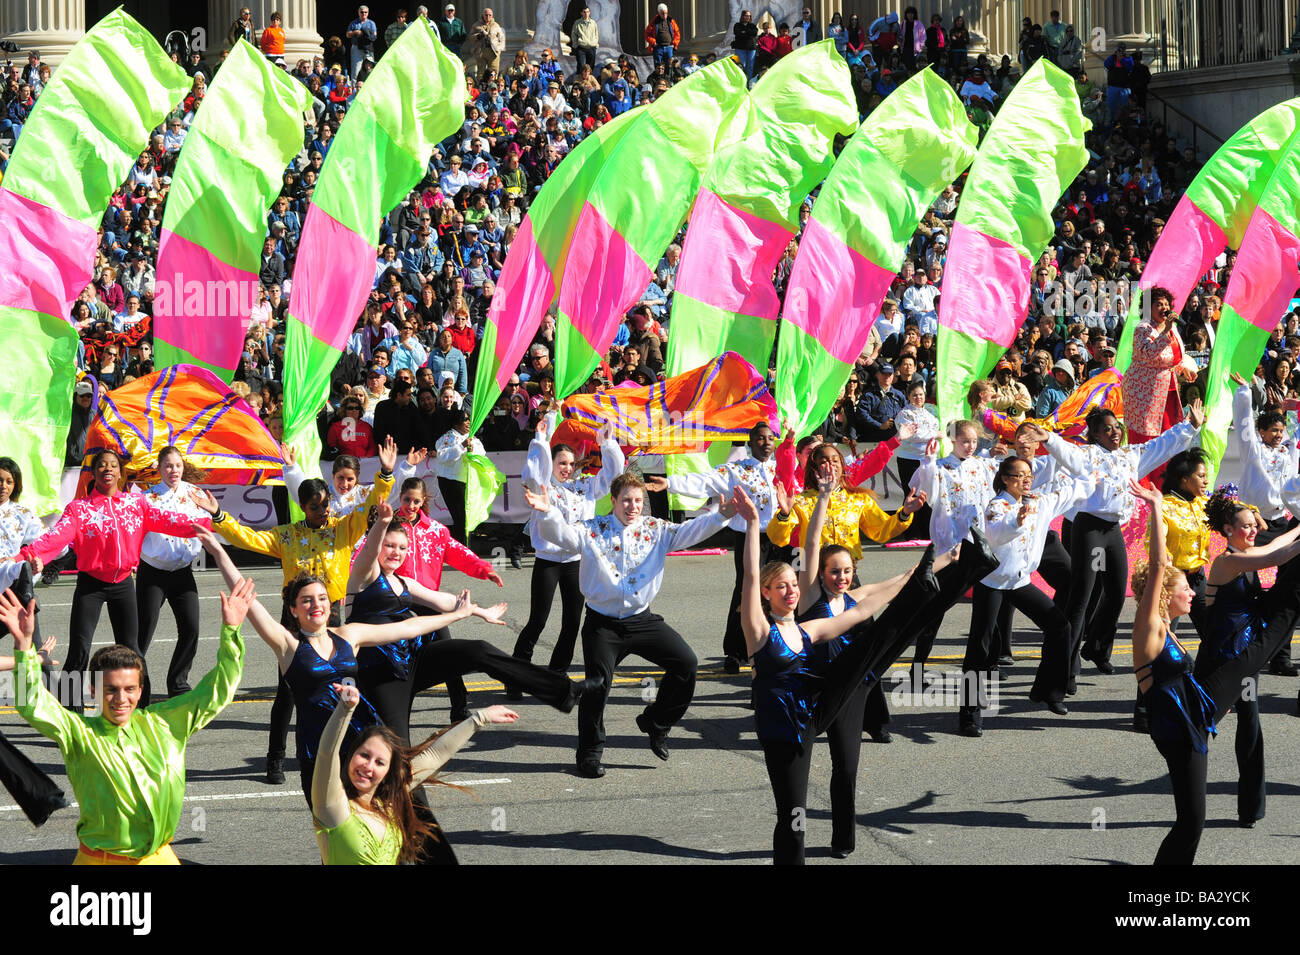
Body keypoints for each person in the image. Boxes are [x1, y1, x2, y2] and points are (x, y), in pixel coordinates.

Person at [192, 438, 398, 784]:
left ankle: (343, 750)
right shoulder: (287, 537)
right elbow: (247, 538)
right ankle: (275, 758)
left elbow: (370, 509)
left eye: (326, 504)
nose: (323, 511)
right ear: (303, 508)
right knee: (288, 691)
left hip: (331, 617)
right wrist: (218, 515)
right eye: (316, 507)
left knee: (340, 687)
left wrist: (387, 474)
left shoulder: (343, 530)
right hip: (295, 621)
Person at [1, 579, 248, 864]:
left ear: (141, 690)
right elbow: (31, 702)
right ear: (93, 689)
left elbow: (218, 689)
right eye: (111, 689)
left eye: (130, 689)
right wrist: (23, 647)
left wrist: (231, 631)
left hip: (161, 857)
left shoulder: (166, 724)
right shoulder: (79, 733)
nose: (121, 698)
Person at [1129, 481, 1300, 864]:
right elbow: (1158, 564)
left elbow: (1273, 549)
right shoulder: (1150, 626)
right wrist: (1156, 507)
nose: (1194, 593)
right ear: (1162, 594)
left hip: (1196, 714)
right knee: (1191, 823)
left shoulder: (1169, 627)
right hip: (1179, 723)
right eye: (1184, 589)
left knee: (1192, 821)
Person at [524, 471, 735, 778]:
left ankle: (657, 722)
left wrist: (721, 516)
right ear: (613, 501)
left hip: (642, 620)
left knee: (686, 663)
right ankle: (589, 754)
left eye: (638, 500)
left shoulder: (656, 529)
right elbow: (563, 537)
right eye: (626, 500)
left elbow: (690, 531)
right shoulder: (593, 529)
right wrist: (547, 511)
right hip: (602, 625)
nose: (633, 506)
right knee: (598, 686)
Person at [345, 502, 597, 748]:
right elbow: (369, 552)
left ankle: (563, 692)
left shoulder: (404, 583)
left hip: (409, 661)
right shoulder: (364, 576)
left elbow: (444, 600)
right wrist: (382, 523)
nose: (395, 552)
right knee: (395, 747)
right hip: (380, 673)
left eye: (402, 547)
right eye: (389, 545)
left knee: (478, 650)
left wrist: (479, 611)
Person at [19, 449, 212, 709]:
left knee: (132, 650)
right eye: (102, 466)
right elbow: (55, 538)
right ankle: (68, 714)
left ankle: (139, 710)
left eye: (113, 466)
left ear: (120, 473)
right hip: (91, 585)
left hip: (123, 585)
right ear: (94, 472)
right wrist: (27, 555)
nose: (108, 469)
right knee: (80, 648)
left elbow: (172, 521)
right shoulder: (79, 509)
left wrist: (210, 517)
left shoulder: (136, 505)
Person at [1025, 403, 1202, 678]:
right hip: (1089, 528)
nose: (1114, 433)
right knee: (1082, 597)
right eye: (1106, 430)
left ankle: (1097, 648)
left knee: (1117, 593)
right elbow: (1068, 453)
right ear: (1095, 434)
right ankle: (1065, 668)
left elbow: (1161, 445)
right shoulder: (1086, 455)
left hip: (1112, 530)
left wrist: (1189, 426)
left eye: (1116, 427)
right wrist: (1049, 438)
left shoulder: (1131, 455)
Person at [313, 683, 518, 864]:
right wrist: (345, 709)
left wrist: (480, 718)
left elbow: (435, 754)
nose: (369, 766)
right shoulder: (332, 805)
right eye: (364, 755)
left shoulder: (388, 803)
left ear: (387, 772)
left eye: (380, 762)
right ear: (351, 755)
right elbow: (326, 754)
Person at [961, 456, 1088, 736]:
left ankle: (1048, 691)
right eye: (1019, 476)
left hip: (1019, 581)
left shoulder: (1039, 501)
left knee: (1059, 626)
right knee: (980, 647)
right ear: (1006, 479)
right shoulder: (997, 505)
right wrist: (1016, 523)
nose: (1026, 479)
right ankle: (970, 714)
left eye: (1028, 475)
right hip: (991, 581)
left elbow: (1074, 491)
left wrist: (1093, 477)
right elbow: (994, 534)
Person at [646, 422, 780, 673]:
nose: (766, 443)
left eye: (770, 438)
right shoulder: (737, 470)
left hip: (780, 539)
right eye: (760, 439)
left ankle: (771, 643)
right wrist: (670, 483)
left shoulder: (781, 468)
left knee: (777, 593)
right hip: (750, 538)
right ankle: (736, 649)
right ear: (750, 444)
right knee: (745, 591)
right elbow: (704, 481)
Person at [512, 413, 623, 686]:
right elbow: (532, 471)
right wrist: (541, 438)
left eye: (571, 464)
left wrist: (607, 443)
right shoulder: (543, 486)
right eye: (561, 463)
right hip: (548, 561)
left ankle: (557, 672)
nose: (567, 468)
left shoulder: (584, 486)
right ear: (552, 464)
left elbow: (613, 475)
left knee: (573, 621)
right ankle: (515, 676)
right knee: (538, 621)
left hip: (576, 561)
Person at [1231, 372, 1300, 675]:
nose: (1278, 435)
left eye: (1281, 431)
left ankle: (1281, 657)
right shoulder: (1252, 450)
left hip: (1282, 526)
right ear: (1260, 432)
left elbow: (1297, 436)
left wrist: (1295, 408)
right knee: (1247, 587)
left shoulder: (1288, 452)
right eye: (1272, 430)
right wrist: (1245, 393)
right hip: (1253, 527)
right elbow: (1244, 423)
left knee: (1287, 594)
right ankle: (1243, 649)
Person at [135, 447, 210, 700]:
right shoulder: (146, 498)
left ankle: (178, 682)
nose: (173, 470)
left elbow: (209, 528)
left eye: (177, 465)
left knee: (191, 629)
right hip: (152, 573)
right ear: (159, 469)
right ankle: (139, 686)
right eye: (168, 466)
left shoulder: (196, 494)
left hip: (182, 572)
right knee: (142, 633)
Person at [434, 409, 483, 546]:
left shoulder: (471, 436)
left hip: (467, 481)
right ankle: (461, 547)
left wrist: (473, 450)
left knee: (467, 517)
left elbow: (482, 452)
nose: (468, 422)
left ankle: (463, 547)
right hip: (450, 481)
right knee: (460, 517)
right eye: (464, 419)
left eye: (469, 419)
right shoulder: (448, 437)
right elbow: (442, 456)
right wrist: (461, 446)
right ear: (456, 424)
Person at [469, 8, 506, 78]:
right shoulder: (476, 25)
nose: (488, 17)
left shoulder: (496, 25)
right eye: (486, 15)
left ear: (492, 16)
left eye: (490, 15)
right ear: (483, 15)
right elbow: (471, 38)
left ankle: (493, 87)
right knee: (481, 73)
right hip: (481, 52)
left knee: (494, 72)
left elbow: (502, 39)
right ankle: (481, 87)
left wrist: (499, 50)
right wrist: (479, 35)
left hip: (493, 52)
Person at [346, 5, 378, 79]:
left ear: (368, 13)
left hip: (368, 47)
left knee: (370, 68)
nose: (364, 14)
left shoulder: (371, 23)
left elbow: (375, 36)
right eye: (362, 12)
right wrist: (356, 32)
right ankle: (354, 88)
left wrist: (367, 34)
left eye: (365, 12)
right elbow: (347, 34)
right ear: (358, 13)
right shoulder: (354, 23)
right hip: (356, 47)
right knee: (356, 69)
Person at [732, 9, 758, 84]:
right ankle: (742, 83)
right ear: (742, 16)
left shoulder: (752, 25)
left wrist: (744, 32)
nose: (748, 17)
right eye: (746, 15)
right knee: (742, 66)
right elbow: (738, 33)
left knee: (750, 67)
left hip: (751, 49)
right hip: (740, 49)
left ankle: (749, 83)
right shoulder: (737, 25)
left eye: (749, 16)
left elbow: (754, 33)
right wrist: (748, 33)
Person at [571, 6, 599, 71]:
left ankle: (589, 80)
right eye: (584, 12)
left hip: (592, 47)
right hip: (581, 47)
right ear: (581, 13)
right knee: (581, 66)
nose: (586, 13)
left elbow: (596, 34)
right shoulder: (577, 22)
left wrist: (595, 43)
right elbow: (573, 34)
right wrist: (575, 45)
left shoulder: (593, 22)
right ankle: (580, 80)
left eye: (588, 12)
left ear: (589, 13)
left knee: (591, 67)